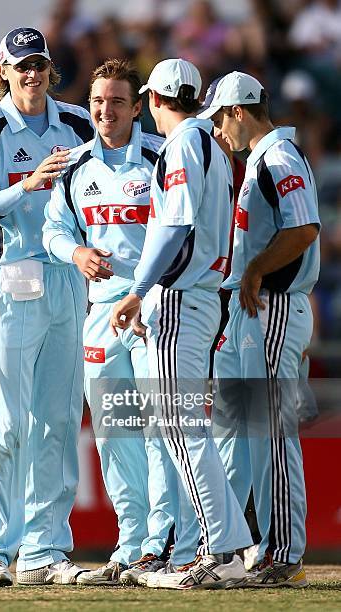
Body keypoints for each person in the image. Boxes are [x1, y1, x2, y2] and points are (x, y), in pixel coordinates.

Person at [0, 27, 94, 587]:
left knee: (58, 419)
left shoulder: (80, 123)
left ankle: (46, 549)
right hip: (11, 277)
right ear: (4, 72)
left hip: (68, 276)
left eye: (38, 64)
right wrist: (28, 185)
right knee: (6, 420)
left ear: (49, 68)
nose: (31, 74)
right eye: (21, 66)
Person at [110, 58, 253, 589]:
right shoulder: (211, 142)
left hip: (180, 297)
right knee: (187, 430)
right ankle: (231, 547)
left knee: (183, 430)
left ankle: (220, 554)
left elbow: (175, 225)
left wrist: (137, 291)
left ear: (152, 99)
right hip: (201, 296)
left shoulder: (182, 144)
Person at [43, 58, 176, 586]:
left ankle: (164, 542)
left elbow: (183, 232)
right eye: (98, 100)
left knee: (163, 429)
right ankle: (130, 541)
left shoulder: (162, 157)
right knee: (114, 434)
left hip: (153, 309)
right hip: (100, 312)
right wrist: (76, 254)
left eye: (117, 101)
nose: (105, 110)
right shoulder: (74, 165)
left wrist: (148, 289)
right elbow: (52, 231)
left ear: (137, 106)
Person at [200, 71, 320, 587]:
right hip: (253, 311)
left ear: (239, 111)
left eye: (219, 118)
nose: (218, 131)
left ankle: (283, 549)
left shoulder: (276, 158)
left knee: (271, 433)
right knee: (238, 432)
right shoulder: (262, 160)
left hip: (273, 306)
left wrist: (254, 271)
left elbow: (304, 228)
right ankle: (230, 543)